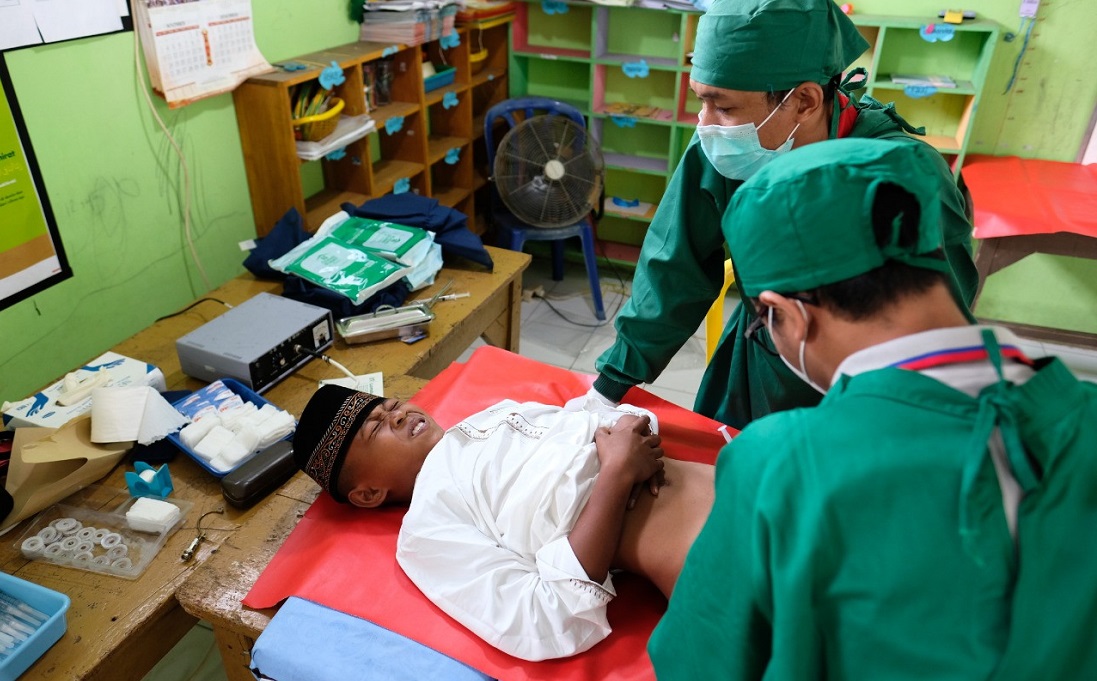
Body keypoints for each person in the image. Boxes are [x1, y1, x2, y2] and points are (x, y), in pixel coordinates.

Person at [648, 138, 1097, 679]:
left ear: (788, 313)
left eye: (764, 326)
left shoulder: (780, 464)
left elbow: (701, 660)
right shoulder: (1081, 416)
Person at [590, 0, 979, 430]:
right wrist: (610, 384)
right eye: (701, 100)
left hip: (868, 393)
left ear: (805, 101)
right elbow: (674, 265)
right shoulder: (724, 150)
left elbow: (939, 327)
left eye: (725, 107)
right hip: (762, 364)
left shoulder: (902, 177)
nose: (705, 124)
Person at [292, 385, 716, 662]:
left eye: (392, 406)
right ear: (369, 494)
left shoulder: (494, 415)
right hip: (708, 554)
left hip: (736, 473)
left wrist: (629, 429)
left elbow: (601, 419)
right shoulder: (428, 526)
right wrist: (616, 474)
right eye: (376, 429)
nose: (399, 415)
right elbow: (541, 617)